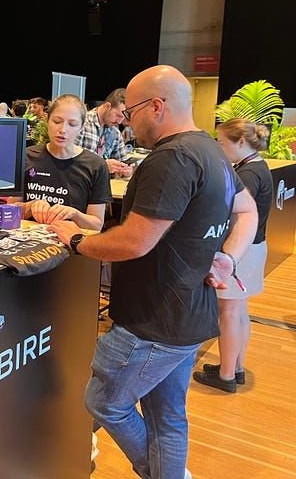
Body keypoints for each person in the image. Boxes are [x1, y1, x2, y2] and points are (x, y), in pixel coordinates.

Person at [50, 65, 258, 479]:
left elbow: (135, 241)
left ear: (157, 107)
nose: (128, 120)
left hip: (152, 321)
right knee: (167, 417)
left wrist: (76, 240)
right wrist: (229, 257)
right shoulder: (211, 151)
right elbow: (247, 210)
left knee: (104, 402)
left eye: (131, 111)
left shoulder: (172, 158)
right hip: (190, 318)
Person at [193, 119, 273, 393]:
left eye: (222, 142)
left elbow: (234, 212)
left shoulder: (248, 175)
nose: (218, 146)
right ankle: (234, 367)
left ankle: (226, 375)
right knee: (238, 311)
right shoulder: (257, 167)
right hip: (253, 248)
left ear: (241, 142)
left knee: (228, 313)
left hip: (242, 251)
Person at [21, 94, 111, 231]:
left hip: (70, 244)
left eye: (72, 124)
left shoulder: (96, 166)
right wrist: (31, 206)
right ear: (47, 120)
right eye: (57, 121)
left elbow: (96, 224)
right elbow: (10, 211)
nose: (63, 130)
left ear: (81, 128)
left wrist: (74, 214)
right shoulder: (26, 156)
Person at [75, 88, 133, 178]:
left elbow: (123, 161)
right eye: (118, 116)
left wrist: (126, 170)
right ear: (107, 106)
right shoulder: (81, 123)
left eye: (123, 118)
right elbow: (69, 160)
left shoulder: (115, 133)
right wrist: (103, 165)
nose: (120, 122)